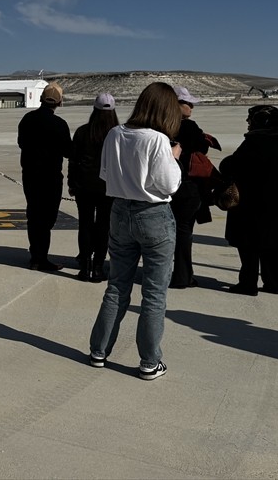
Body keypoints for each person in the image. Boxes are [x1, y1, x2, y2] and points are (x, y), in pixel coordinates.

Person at [88, 82, 182, 381]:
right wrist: (174, 158)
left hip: (119, 211)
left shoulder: (115, 133)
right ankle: (149, 361)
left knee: (117, 285)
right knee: (154, 293)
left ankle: (99, 350)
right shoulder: (158, 140)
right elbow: (169, 185)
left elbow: (105, 174)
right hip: (153, 214)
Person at [218, 105, 278, 295]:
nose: (248, 123)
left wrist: (226, 164)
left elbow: (232, 165)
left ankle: (247, 283)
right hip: (277, 202)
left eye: (251, 119)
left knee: (249, 244)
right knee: (274, 246)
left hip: (251, 203)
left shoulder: (255, 141)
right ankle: (273, 283)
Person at [17, 82, 72, 271]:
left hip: (31, 176)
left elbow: (21, 143)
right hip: (50, 178)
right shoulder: (59, 124)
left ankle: (36, 256)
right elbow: (68, 151)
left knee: (34, 215)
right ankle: (41, 258)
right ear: (59, 103)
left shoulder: (27, 119)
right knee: (47, 219)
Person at [68, 93, 118, 282]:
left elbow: (73, 161)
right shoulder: (118, 133)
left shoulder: (83, 132)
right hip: (109, 187)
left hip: (85, 186)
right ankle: (98, 267)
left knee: (85, 225)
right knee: (104, 226)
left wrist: (72, 184)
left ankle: (85, 266)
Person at [169, 85, 212, 289]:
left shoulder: (161, 126)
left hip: (166, 186)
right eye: (188, 103)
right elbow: (201, 147)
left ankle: (173, 272)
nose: (191, 107)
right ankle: (182, 275)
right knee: (184, 232)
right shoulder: (189, 127)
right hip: (187, 187)